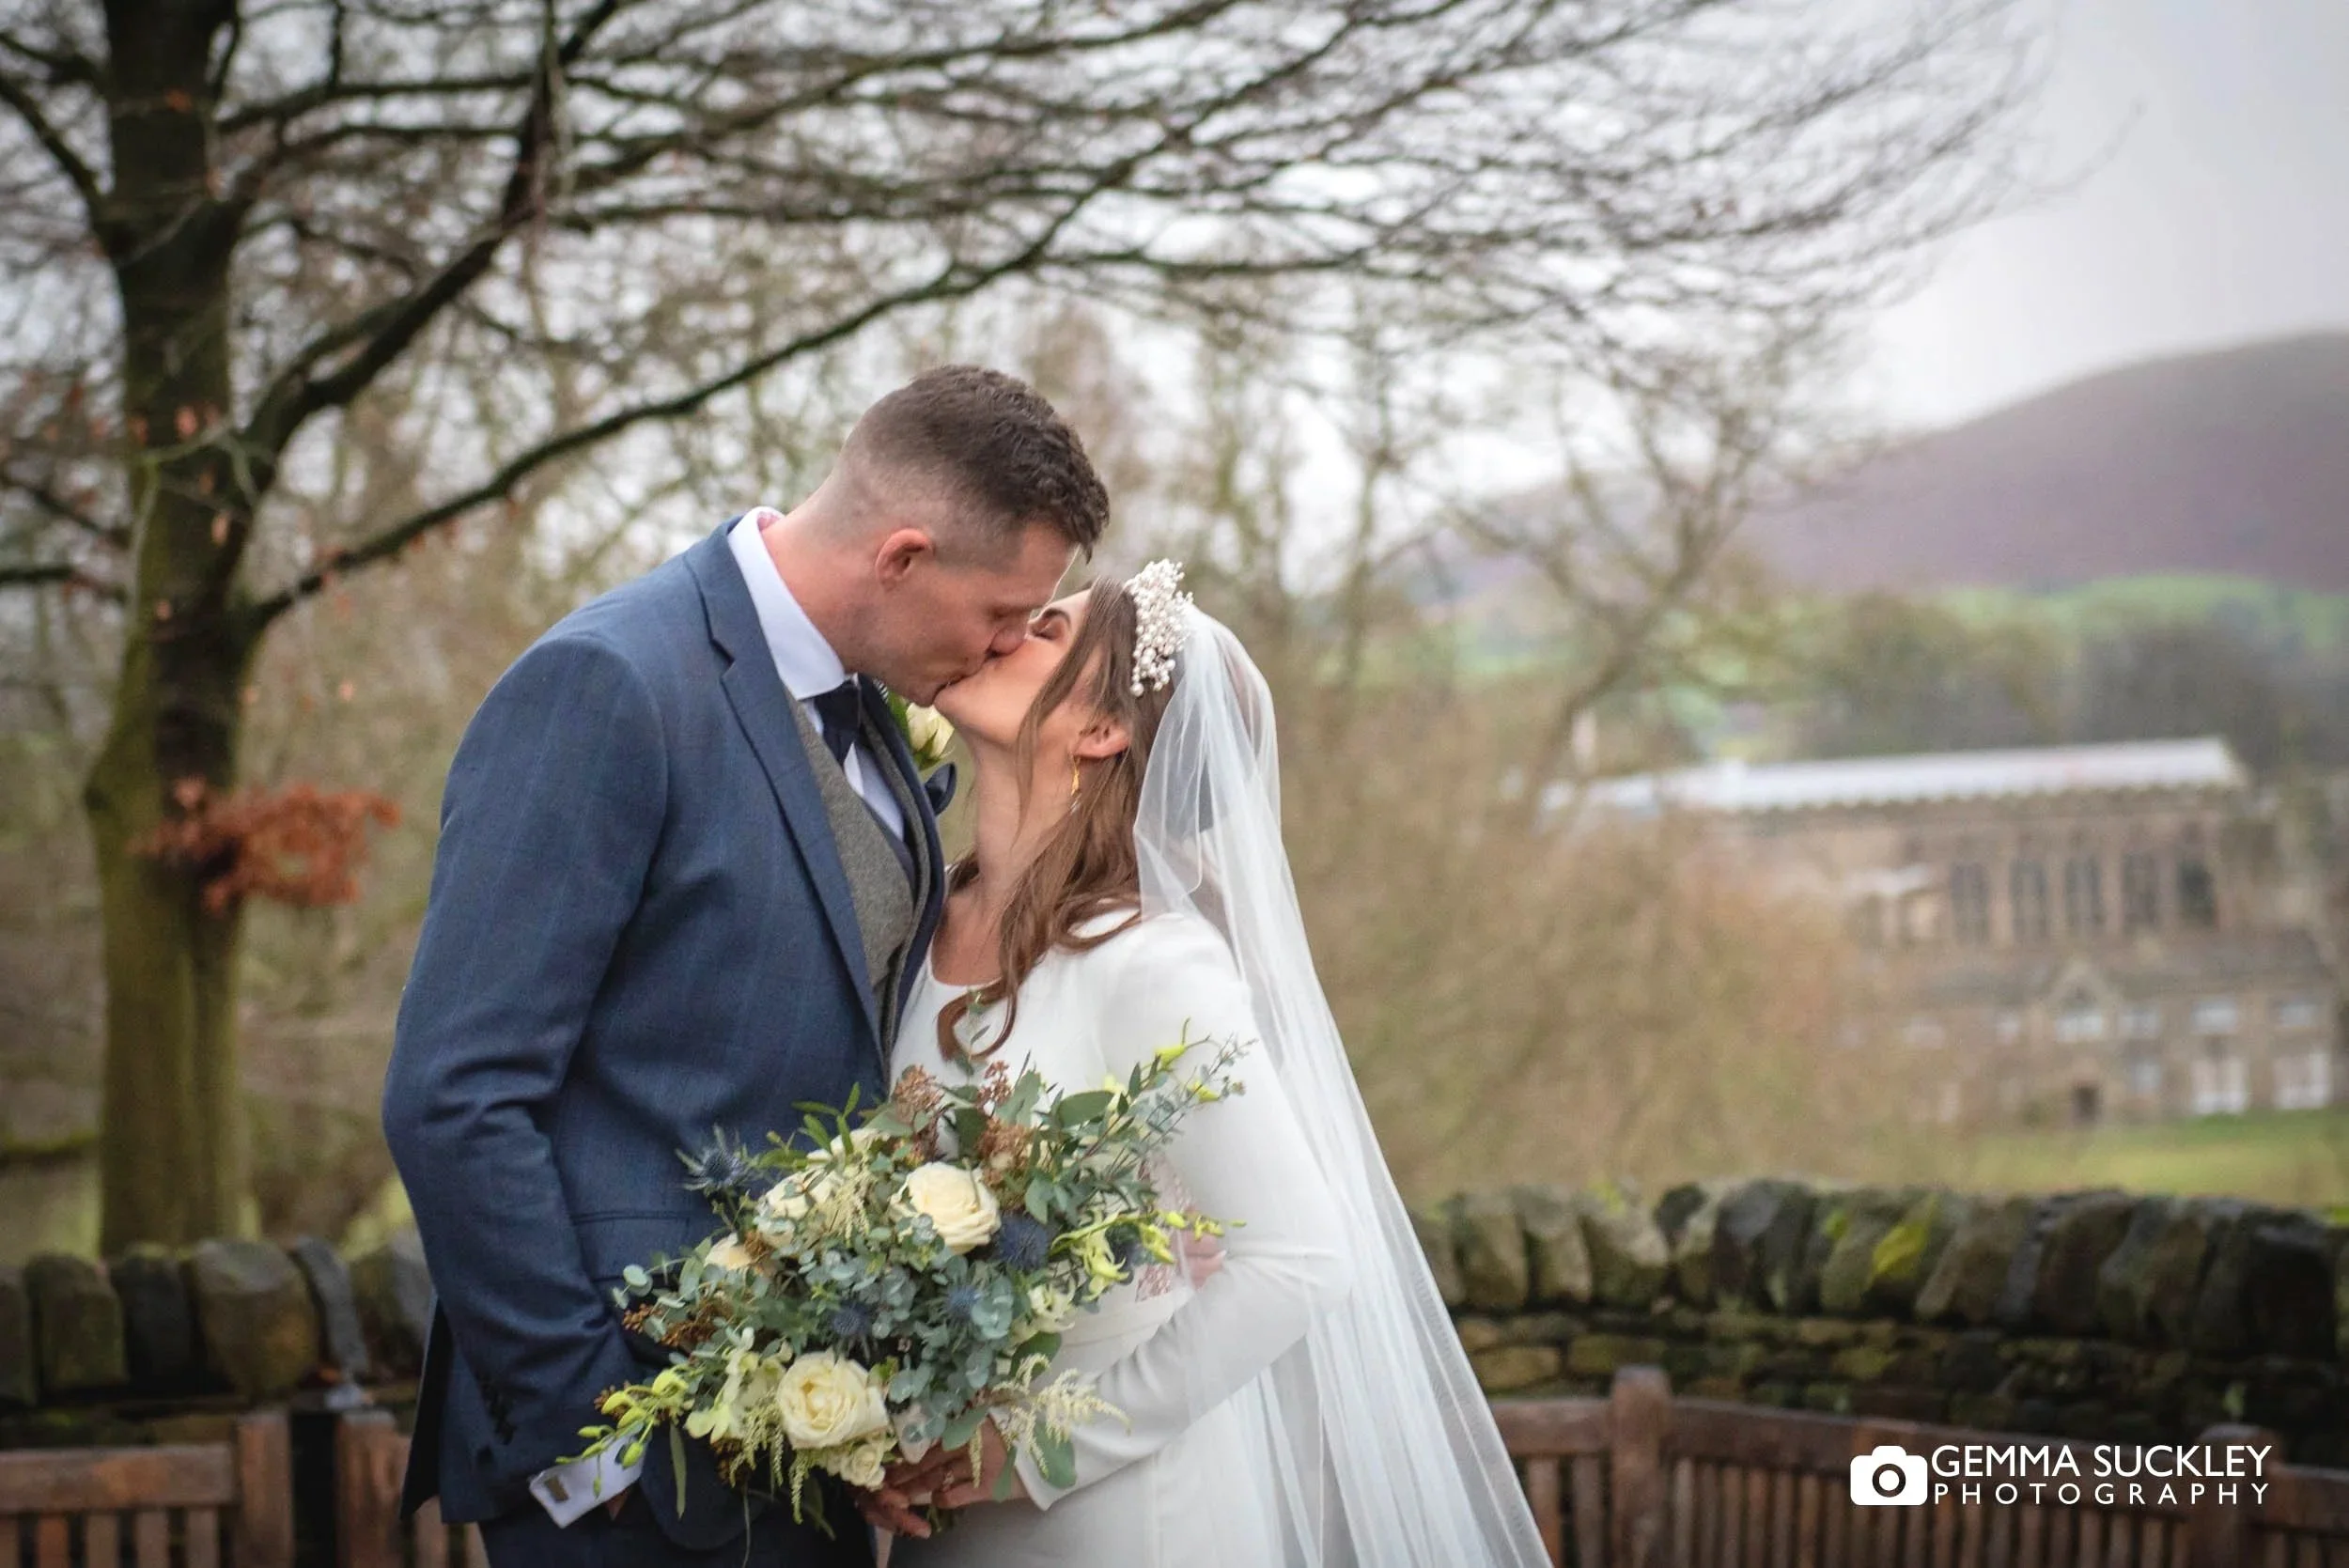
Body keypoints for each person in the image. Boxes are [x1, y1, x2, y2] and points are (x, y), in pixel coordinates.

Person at [381, 365, 1108, 1568]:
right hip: (635, 1465)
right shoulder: (609, 684)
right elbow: (452, 1093)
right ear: (903, 556)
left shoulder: (878, 708)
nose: (1004, 646)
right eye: (1001, 610)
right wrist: (605, 1439)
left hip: (802, 1456)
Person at [871, 565, 1551, 1566]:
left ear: (1101, 731)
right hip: (937, 1507)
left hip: (1108, 1516)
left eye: (1045, 630)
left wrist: (1036, 1448)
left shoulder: (1147, 962)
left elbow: (1300, 1257)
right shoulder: (915, 916)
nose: (1004, 632)